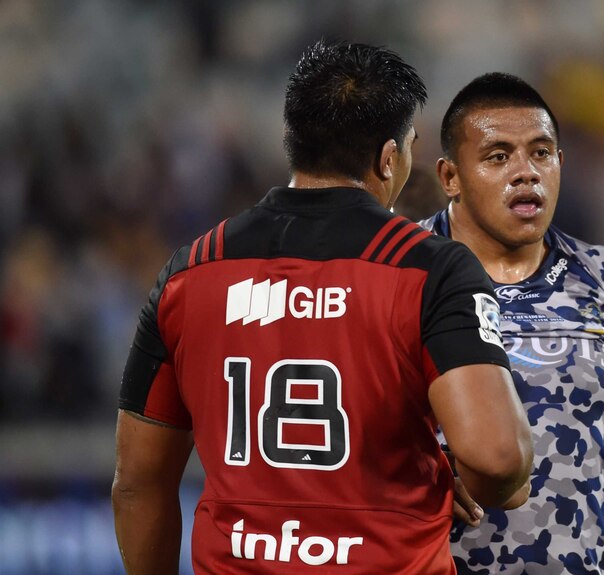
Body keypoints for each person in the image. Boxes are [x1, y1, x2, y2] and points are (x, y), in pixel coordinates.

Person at [112, 43, 533, 575]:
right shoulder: (431, 269)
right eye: (410, 147)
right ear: (388, 157)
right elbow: (497, 462)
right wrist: (447, 470)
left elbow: (137, 481)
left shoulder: (190, 271)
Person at [420, 73, 604, 575]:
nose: (525, 172)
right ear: (450, 176)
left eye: (541, 152)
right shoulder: (398, 274)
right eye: (497, 156)